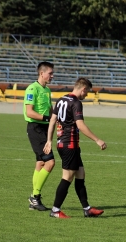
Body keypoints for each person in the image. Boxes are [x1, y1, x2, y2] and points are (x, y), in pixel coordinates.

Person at [43, 77, 107, 218]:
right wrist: (97, 139)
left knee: (80, 174)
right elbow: (80, 125)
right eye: (87, 92)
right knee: (67, 177)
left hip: (65, 144)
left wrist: (49, 140)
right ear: (83, 89)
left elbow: (53, 121)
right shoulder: (76, 103)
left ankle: (87, 209)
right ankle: (55, 210)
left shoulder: (60, 100)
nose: (87, 95)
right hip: (69, 145)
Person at [23, 61, 55, 211]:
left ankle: (34, 200)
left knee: (41, 164)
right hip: (35, 128)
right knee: (50, 163)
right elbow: (29, 112)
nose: (52, 76)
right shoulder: (32, 88)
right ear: (42, 73)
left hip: (44, 128)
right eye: (50, 73)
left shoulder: (47, 90)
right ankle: (35, 197)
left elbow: (50, 110)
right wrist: (48, 119)